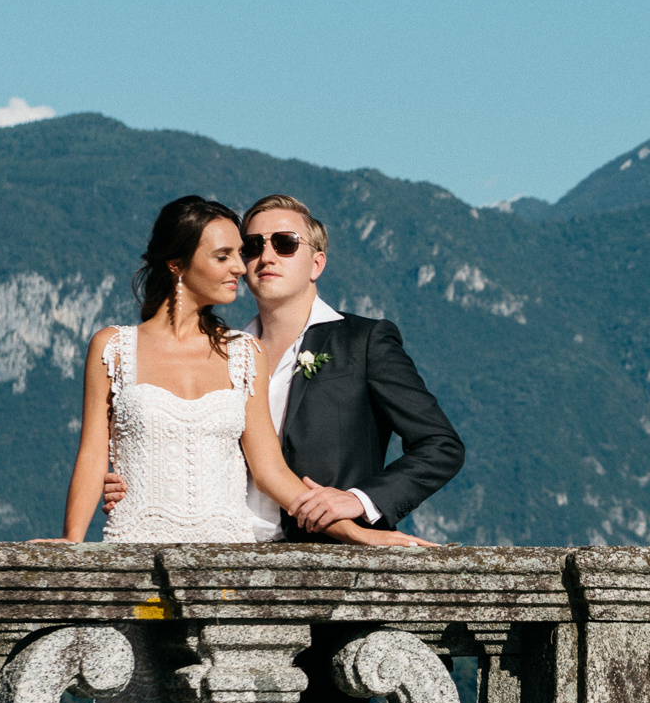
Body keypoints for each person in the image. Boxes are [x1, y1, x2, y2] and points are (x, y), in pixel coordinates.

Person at [100, 193, 461, 545]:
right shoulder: (222, 353)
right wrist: (132, 479)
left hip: (328, 554)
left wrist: (360, 500)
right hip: (225, 549)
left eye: (285, 243)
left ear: (316, 264)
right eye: (252, 246)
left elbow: (439, 445)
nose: (266, 256)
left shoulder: (363, 341)